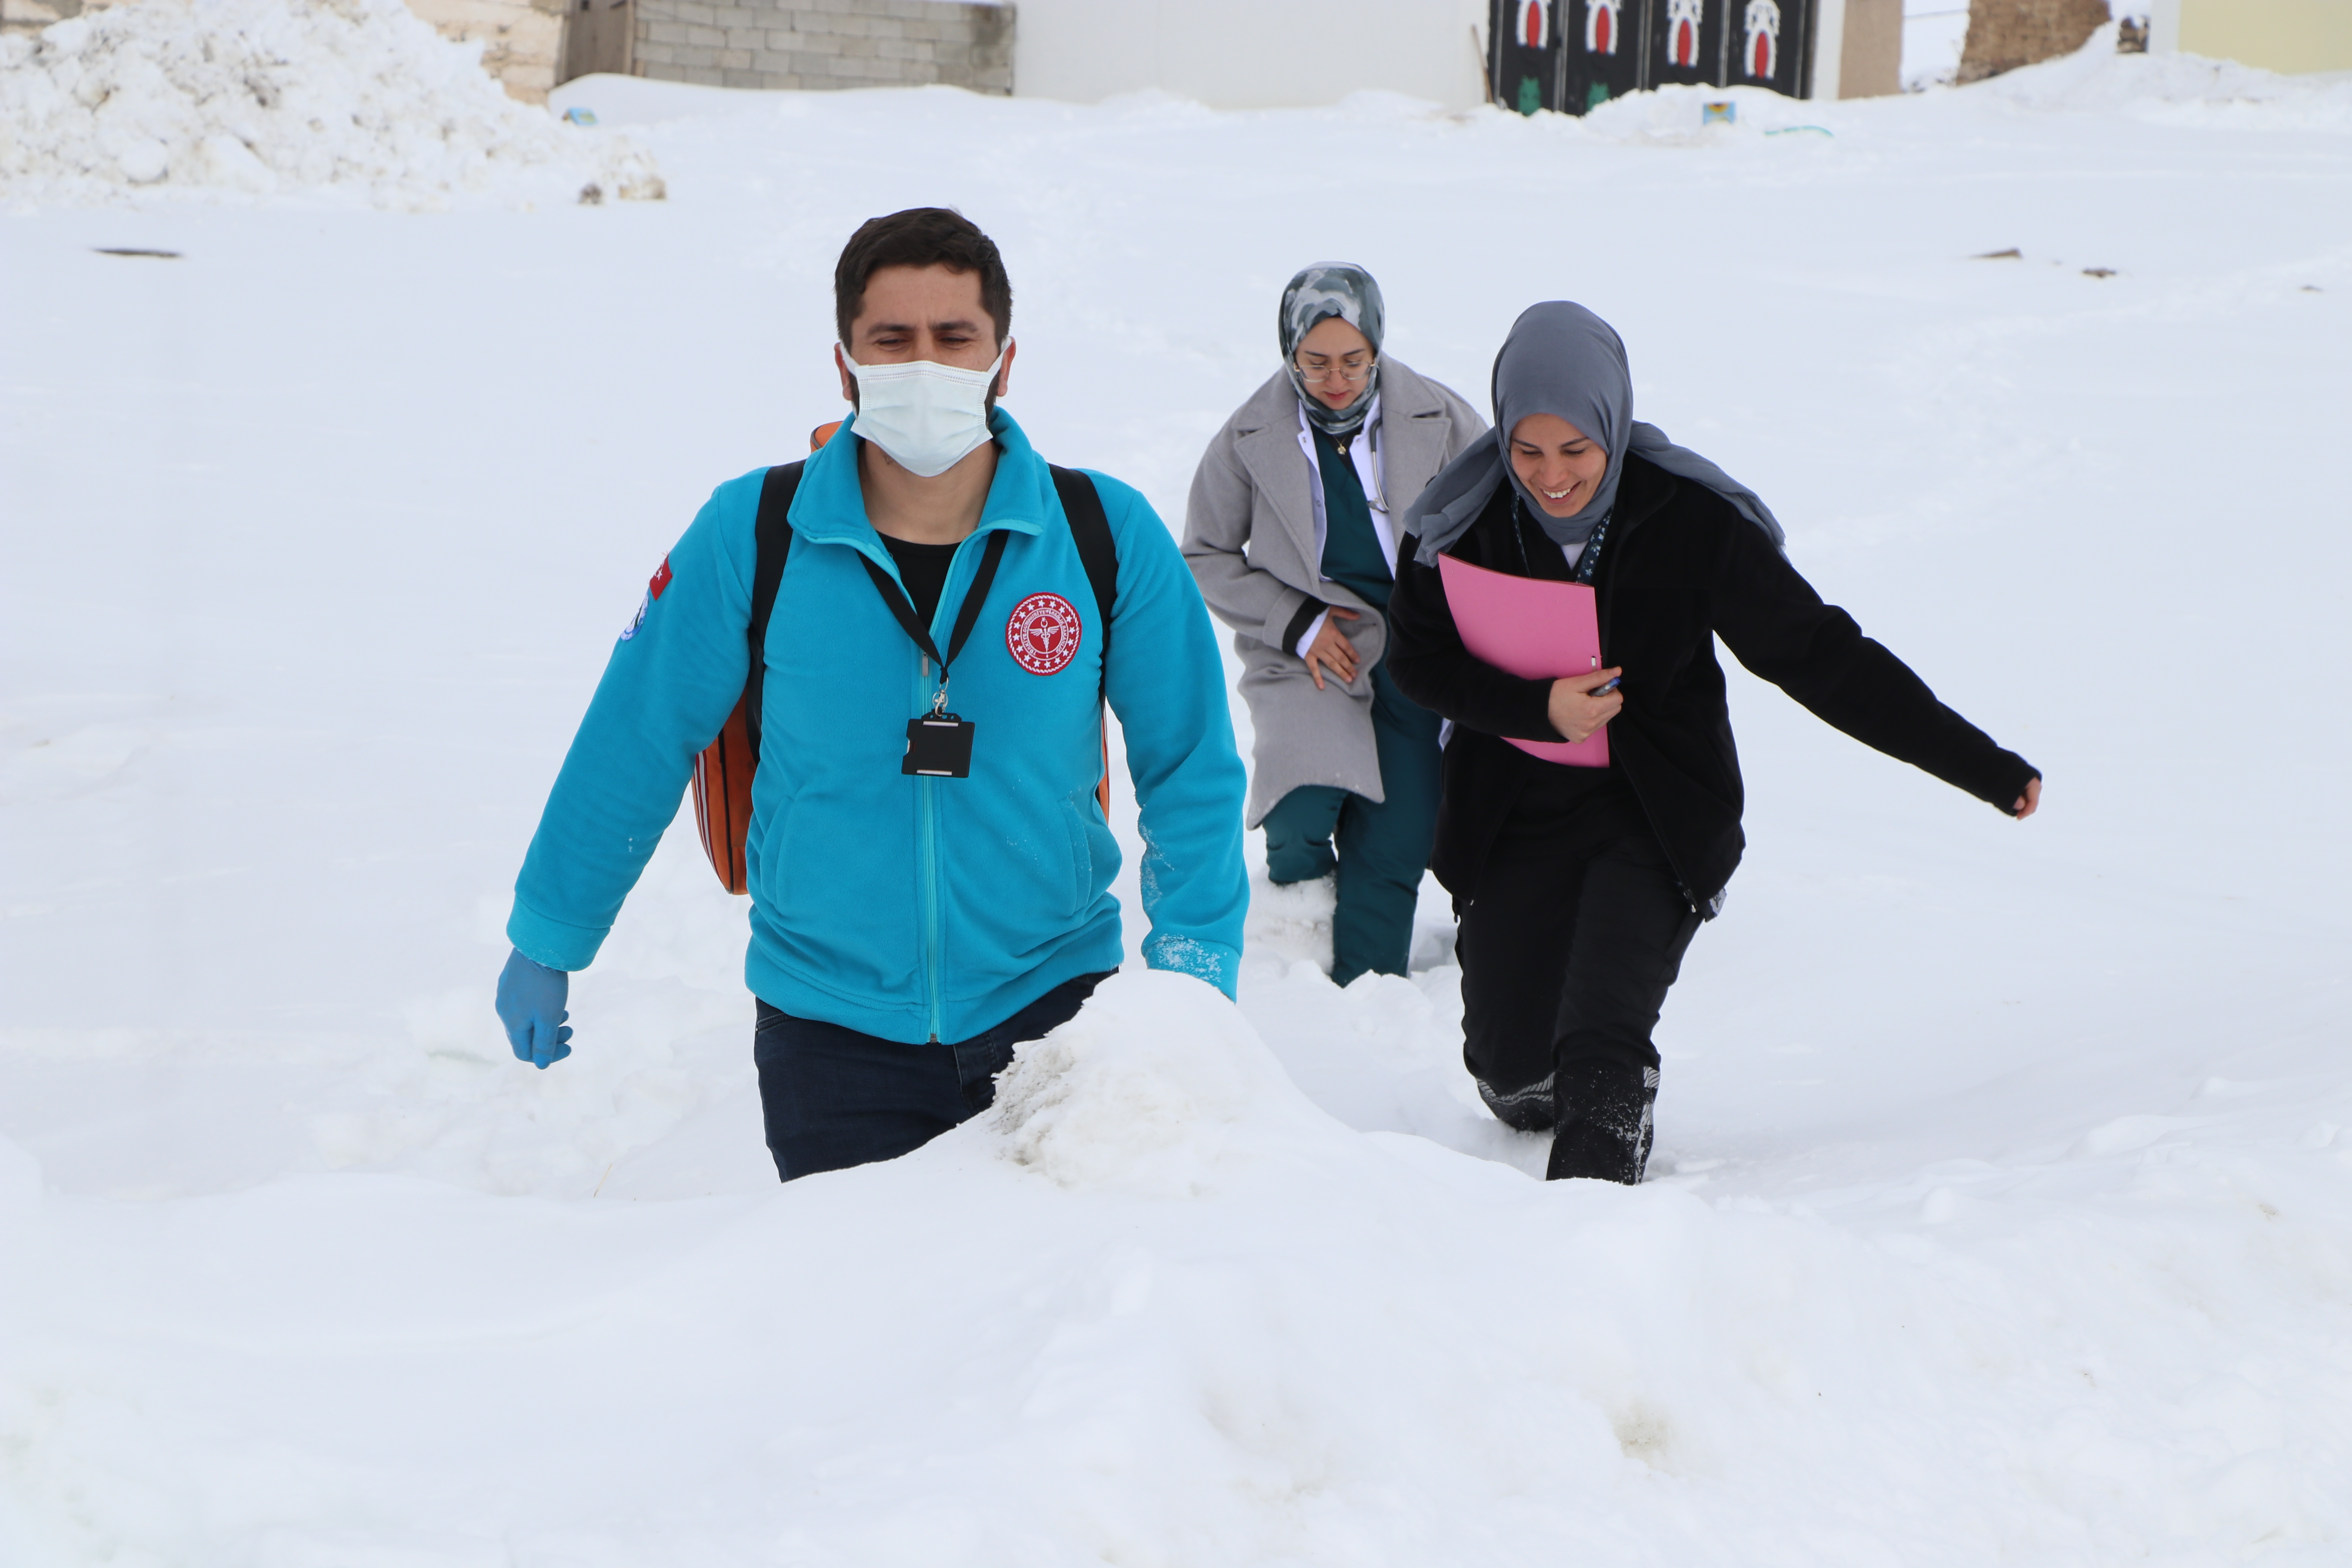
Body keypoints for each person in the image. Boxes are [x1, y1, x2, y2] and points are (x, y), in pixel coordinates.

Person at [492, 208, 1249, 1181]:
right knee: (857, 1284)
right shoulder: (753, 531)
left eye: (954, 337)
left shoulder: (1103, 532)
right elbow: (638, 735)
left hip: (1056, 1013)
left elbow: (1190, 762)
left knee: (1042, 1285)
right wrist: (551, 934)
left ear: (1004, 361)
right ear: (846, 365)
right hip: (828, 1037)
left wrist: (1195, 968)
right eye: (893, 340)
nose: (924, 364)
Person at [1386, 302, 2042, 1185]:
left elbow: (1820, 655)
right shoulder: (1461, 524)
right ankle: (1551, 1092)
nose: (1551, 477)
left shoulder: (1687, 518)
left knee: (1602, 1039)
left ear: (1614, 422)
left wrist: (1982, 765)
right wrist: (1535, 707)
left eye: (1577, 449)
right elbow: (1417, 662)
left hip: (1654, 810)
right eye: (1526, 451)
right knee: (1512, 1071)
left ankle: (1590, 1208)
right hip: (1515, 813)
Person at [1182, 265, 1486, 985]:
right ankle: (1301, 946)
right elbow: (1203, 554)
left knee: (1401, 827)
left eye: (1354, 360)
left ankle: (1364, 989)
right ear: (1289, 352)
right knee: (1300, 801)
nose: (1337, 380)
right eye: (1315, 362)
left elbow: (1498, 524)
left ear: (1377, 345)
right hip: (1312, 650)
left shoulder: (1444, 419)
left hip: (1418, 648)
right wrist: (1295, 622)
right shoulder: (1249, 436)